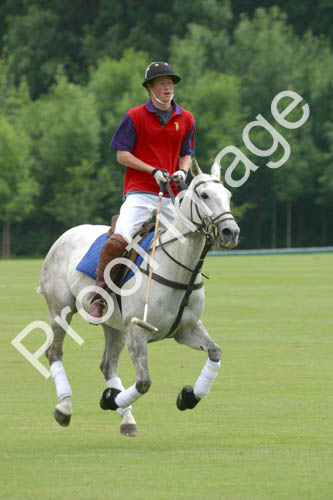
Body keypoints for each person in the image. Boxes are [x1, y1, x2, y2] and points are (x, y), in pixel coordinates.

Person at [88, 61, 195, 319]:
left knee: (188, 240)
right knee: (119, 240)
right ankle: (99, 295)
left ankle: (185, 297)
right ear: (150, 88)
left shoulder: (186, 118)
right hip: (139, 192)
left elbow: (186, 154)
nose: (168, 87)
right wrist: (152, 170)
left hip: (171, 194)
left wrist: (182, 171)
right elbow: (122, 155)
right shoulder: (135, 116)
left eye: (170, 83)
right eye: (161, 83)